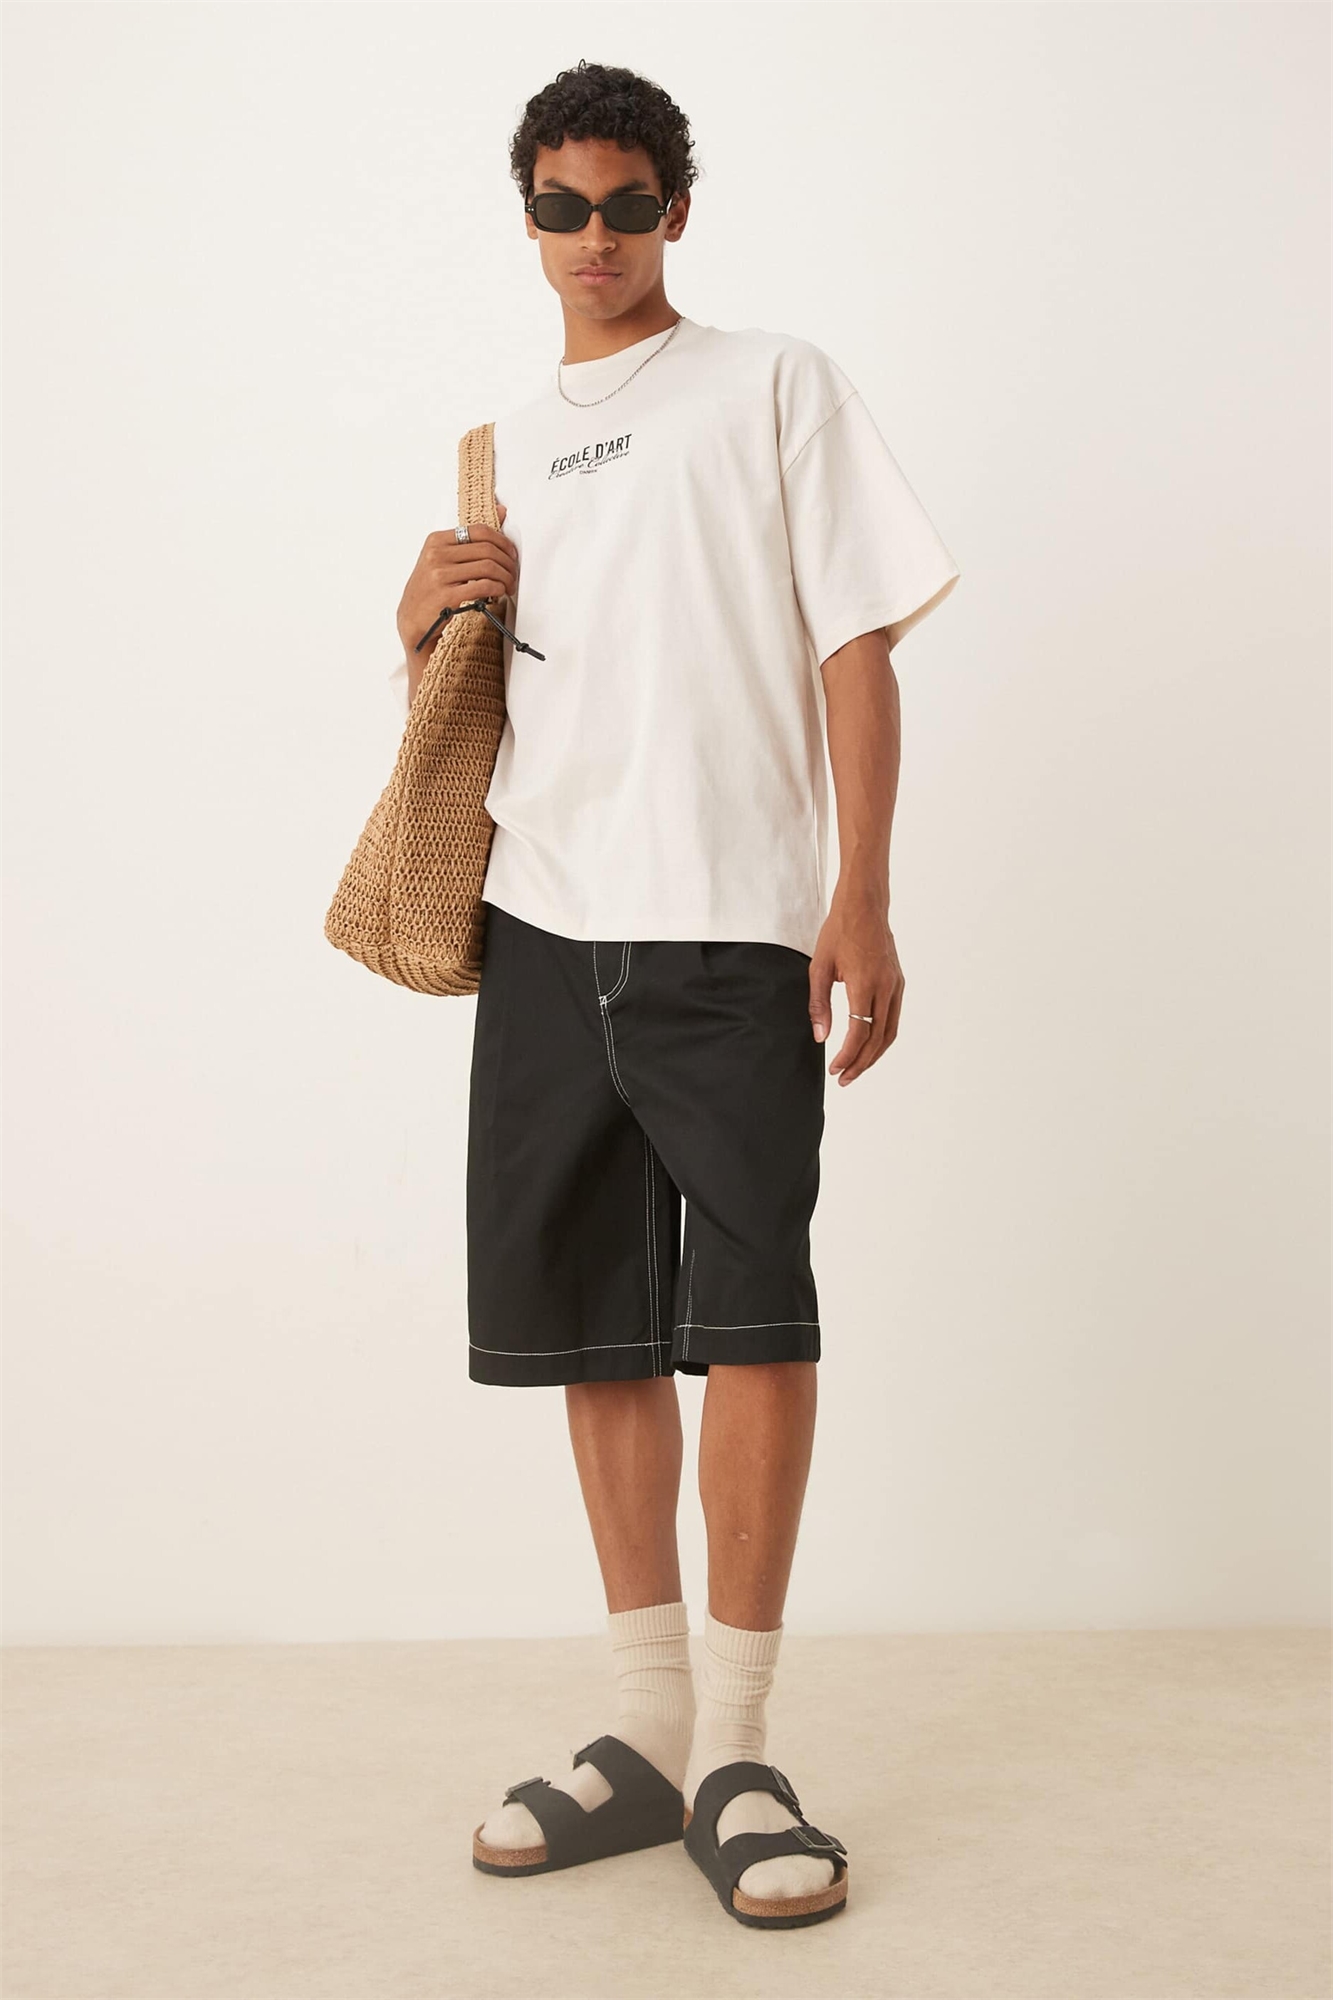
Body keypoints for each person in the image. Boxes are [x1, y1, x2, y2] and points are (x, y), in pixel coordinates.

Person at [385, 60, 960, 1931]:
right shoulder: (498, 443)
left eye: (626, 204)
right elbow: (483, 701)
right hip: (544, 921)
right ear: (526, 219)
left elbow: (854, 642)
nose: (594, 237)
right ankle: (645, 1722)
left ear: (676, 212)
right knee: (596, 1328)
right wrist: (415, 618)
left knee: (754, 1311)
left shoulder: (772, 382)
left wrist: (859, 897)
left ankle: (736, 1744)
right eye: (560, 206)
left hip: (731, 919)